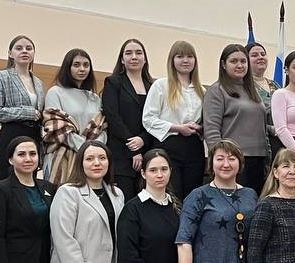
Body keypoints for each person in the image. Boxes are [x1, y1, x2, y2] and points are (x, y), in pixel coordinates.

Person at [143, 40, 205, 200]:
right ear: (172, 60)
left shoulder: (202, 90)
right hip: (169, 145)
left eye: (190, 56)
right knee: (172, 193)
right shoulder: (161, 85)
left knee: (193, 194)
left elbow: (206, 121)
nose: (185, 60)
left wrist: (199, 128)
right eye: (180, 56)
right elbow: (148, 119)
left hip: (194, 147)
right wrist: (177, 127)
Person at [203, 43, 269, 193]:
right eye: (234, 61)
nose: (240, 65)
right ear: (223, 64)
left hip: (259, 160)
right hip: (233, 160)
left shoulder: (252, 91)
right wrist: (221, 160)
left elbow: (261, 124)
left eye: (243, 61)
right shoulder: (217, 91)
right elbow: (211, 129)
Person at [42, 48, 103, 184]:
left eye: (86, 65)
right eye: (76, 65)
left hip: (90, 158)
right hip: (62, 155)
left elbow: (101, 127)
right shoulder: (55, 92)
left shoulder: (95, 98)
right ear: (67, 67)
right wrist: (85, 147)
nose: (82, 69)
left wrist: (94, 149)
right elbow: (55, 127)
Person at [0, 35, 44, 181]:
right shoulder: (0, 77)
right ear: (10, 53)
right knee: (7, 183)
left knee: (28, 182)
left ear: (33, 53)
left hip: (33, 137)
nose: (24, 51)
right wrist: (27, 112)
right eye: (19, 48)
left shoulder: (38, 83)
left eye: (29, 48)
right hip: (11, 135)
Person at [102, 38, 155, 192]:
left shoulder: (153, 87)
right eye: (128, 53)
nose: (134, 57)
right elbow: (113, 117)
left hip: (148, 152)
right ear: (122, 59)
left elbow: (156, 119)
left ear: (145, 59)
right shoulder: (113, 82)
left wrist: (143, 139)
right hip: (121, 153)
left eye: (138, 53)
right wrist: (134, 147)